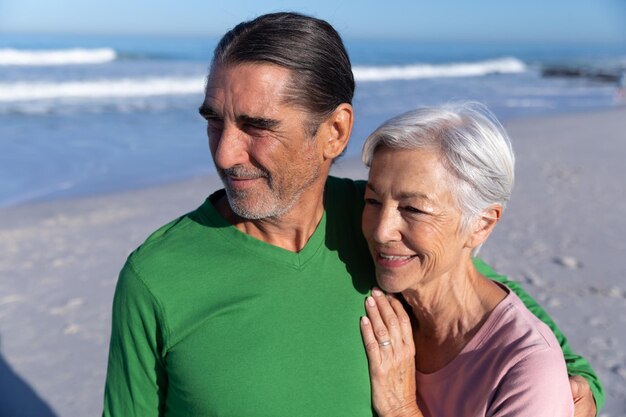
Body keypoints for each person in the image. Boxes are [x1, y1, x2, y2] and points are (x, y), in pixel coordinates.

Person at [102, 12, 602, 417]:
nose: (226, 153)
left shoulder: (385, 230)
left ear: (336, 132)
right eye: (216, 121)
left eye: (257, 126)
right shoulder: (157, 277)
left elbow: (530, 340)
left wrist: (575, 392)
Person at [359, 103, 579, 416]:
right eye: (372, 200)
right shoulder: (387, 308)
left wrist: (401, 407)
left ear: (481, 224)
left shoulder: (527, 366)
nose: (381, 231)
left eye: (413, 209)